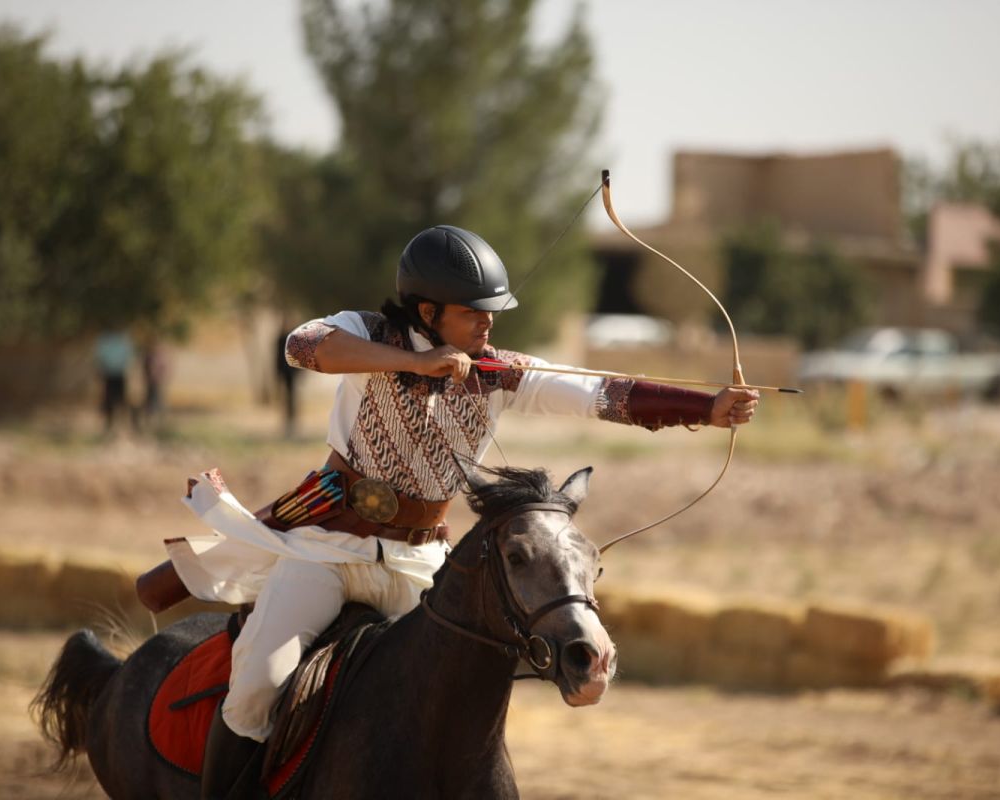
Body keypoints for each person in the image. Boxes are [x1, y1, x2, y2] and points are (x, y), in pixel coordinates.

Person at [169, 225, 758, 798]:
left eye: (491, 310)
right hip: (324, 550)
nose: (489, 321)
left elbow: (603, 393)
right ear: (427, 313)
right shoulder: (365, 333)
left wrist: (708, 407)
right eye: (473, 311)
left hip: (419, 560)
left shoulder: (498, 372)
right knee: (256, 689)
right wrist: (415, 365)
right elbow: (303, 346)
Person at [94, 329, 133, 433]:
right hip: (112, 374)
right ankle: (112, 422)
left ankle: (117, 422)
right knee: (112, 399)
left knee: (117, 399)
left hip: (115, 374)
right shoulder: (113, 342)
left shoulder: (112, 342)